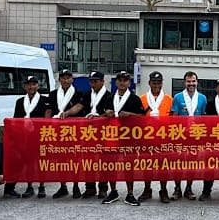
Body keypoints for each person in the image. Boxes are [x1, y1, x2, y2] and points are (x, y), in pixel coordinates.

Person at [101, 71, 146, 206]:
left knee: (129, 165)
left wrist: (130, 114)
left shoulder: (135, 99)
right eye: (120, 80)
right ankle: (113, 191)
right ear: (116, 82)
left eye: (125, 80)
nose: (122, 83)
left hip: (129, 137)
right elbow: (101, 117)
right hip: (112, 135)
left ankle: (130, 193)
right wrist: (106, 113)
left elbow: (142, 117)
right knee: (111, 165)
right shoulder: (109, 98)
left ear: (129, 83)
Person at [171, 71, 208, 200]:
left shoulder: (202, 98)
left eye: (193, 81)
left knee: (192, 163)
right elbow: (174, 118)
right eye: (188, 81)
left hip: (195, 136)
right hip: (181, 136)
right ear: (184, 82)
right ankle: (177, 189)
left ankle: (189, 188)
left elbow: (203, 117)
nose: (191, 84)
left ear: (197, 82)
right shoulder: (177, 97)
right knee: (178, 163)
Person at [13, 75, 52, 198]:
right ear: (25, 86)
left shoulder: (45, 100)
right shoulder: (19, 102)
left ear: (38, 86)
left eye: (34, 84)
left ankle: (42, 186)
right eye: (29, 84)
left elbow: (48, 119)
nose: (31, 87)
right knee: (28, 163)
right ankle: (29, 186)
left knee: (42, 163)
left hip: (40, 136)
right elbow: (16, 120)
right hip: (25, 138)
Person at [138, 71, 174, 203]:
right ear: (149, 83)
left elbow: (173, 120)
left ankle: (163, 190)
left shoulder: (169, 99)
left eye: (159, 83)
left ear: (162, 83)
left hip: (163, 139)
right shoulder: (141, 99)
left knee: (163, 167)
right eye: (154, 82)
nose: (156, 85)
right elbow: (138, 119)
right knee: (147, 166)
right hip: (146, 139)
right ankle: (147, 190)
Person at [49, 69, 84, 199]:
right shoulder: (52, 95)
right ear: (59, 80)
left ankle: (76, 186)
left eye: (68, 77)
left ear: (72, 79)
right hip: (57, 132)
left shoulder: (79, 94)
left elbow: (81, 110)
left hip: (73, 132)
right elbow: (48, 111)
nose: (65, 80)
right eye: (63, 78)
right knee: (60, 160)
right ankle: (63, 186)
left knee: (75, 160)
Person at [81, 71, 114, 199]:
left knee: (103, 161)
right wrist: (66, 114)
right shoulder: (87, 94)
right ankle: (89, 187)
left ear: (102, 81)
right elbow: (80, 106)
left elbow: (110, 112)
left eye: (95, 81)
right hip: (88, 133)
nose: (93, 84)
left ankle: (103, 188)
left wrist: (98, 118)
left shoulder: (109, 96)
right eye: (91, 81)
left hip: (103, 134)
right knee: (88, 161)